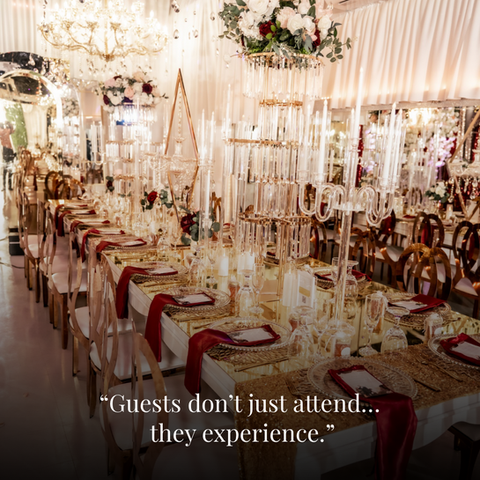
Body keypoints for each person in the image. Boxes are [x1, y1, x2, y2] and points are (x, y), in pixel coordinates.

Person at [0, 120, 16, 191]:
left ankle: (7, 186)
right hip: (7, 150)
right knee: (7, 168)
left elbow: (12, 130)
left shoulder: (5, 131)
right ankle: (7, 186)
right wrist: (8, 123)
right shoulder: (5, 131)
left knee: (7, 169)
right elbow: (12, 129)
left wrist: (8, 123)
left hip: (8, 150)